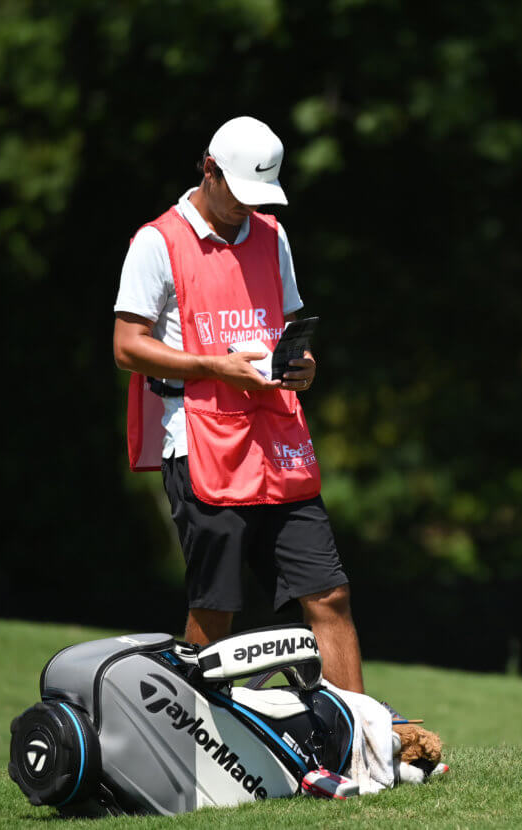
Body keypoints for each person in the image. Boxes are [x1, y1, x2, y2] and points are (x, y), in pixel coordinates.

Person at [113, 115, 364, 693]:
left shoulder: (273, 236)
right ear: (209, 169)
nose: (246, 210)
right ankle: (191, 751)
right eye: (238, 195)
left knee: (329, 592)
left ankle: (357, 747)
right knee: (216, 609)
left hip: (278, 440)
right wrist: (213, 366)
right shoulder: (158, 241)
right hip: (200, 443)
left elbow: (288, 323)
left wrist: (300, 367)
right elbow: (128, 348)